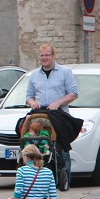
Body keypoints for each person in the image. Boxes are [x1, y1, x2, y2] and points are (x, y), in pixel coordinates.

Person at [25, 44, 79, 182]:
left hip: (58, 113)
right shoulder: (34, 75)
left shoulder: (65, 72)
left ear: (53, 56)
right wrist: (32, 103)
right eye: (42, 55)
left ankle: (64, 176)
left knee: (61, 144)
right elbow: (29, 96)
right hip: (39, 113)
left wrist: (58, 103)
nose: (44, 58)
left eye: (47, 55)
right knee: (23, 129)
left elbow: (73, 94)